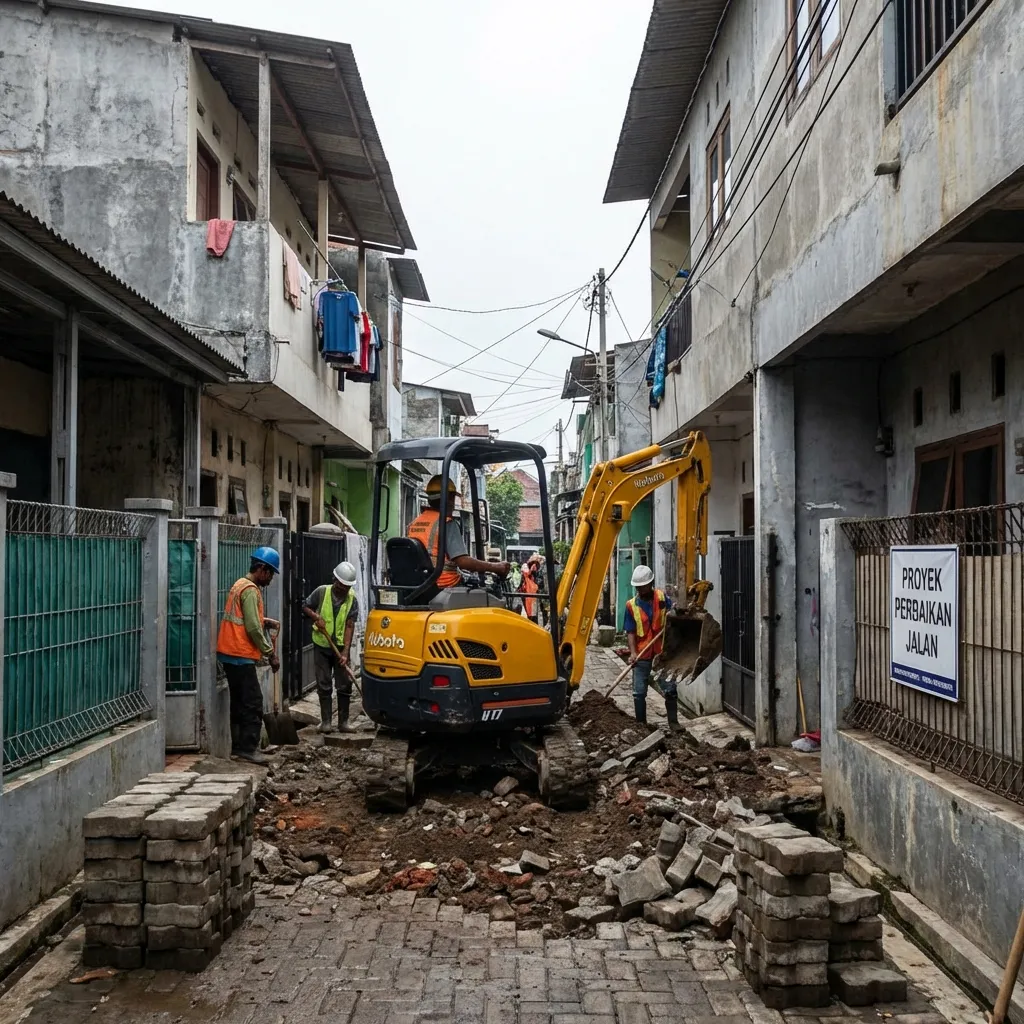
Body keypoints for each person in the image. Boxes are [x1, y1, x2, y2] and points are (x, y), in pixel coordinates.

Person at [216, 546, 281, 764]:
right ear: (262, 569)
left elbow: (247, 620)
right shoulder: (251, 590)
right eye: (270, 573)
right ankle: (248, 748)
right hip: (240, 653)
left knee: (239, 702)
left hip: (229, 653)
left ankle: (237, 747)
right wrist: (270, 653)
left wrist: (264, 621)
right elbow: (252, 628)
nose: (270, 579)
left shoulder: (239, 585)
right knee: (253, 702)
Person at [407, 475, 510, 586]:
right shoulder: (446, 523)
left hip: (420, 584)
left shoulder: (414, 523)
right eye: (453, 498)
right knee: (484, 595)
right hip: (443, 583)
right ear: (449, 498)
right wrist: (496, 567)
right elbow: (463, 562)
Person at [304, 561, 359, 734]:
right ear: (335, 580)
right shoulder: (322, 592)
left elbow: (350, 625)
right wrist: (315, 617)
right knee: (324, 683)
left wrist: (345, 652)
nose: (345, 589)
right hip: (322, 644)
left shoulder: (352, 600)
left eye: (348, 586)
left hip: (340, 647)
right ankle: (326, 722)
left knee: (344, 684)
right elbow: (305, 606)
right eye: (342, 585)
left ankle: (344, 722)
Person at [624, 564, 676, 728]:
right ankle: (641, 725)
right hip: (642, 653)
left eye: (643, 586)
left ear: (650, 584)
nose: (640, 590)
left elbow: (672, 614)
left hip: (662, 651)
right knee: (639, 692)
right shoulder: (631, 606)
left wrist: (673, 612)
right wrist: (633, 653)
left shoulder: (661, 598)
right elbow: (631, 632)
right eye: (637, 587)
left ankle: (673, 723)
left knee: (670, 689)